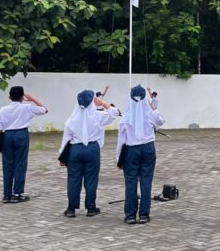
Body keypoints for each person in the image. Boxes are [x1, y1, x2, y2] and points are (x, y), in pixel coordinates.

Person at [59, 90, 120, 217]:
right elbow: (115, 112)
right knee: (91, 179)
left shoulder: (71, 119)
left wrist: (61, 156)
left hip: (75, 150)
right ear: (92, 101)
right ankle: (91, 207)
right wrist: (102, 103)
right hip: (92, 149)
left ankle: (71, 209)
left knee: (73, 179)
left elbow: (65, 139)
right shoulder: (98, 116)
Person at [116, 85, 165, 224]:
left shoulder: (125, 117)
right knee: (146, 181)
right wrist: (152, 105)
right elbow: (161, 121)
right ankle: (144, 214)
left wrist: (118, 159)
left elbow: (121, 141)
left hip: (131, 150)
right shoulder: (150, 114)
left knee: (130, 182)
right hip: (148, 148)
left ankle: (130, 215)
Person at [0, 86, 48, 203]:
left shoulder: (3, 109)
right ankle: (17, 193)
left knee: (7, 164)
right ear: (23, 97)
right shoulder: (27, 108)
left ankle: (6, 194)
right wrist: (32, 98)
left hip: (7, 135)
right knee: (20, 163)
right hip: (21, 134)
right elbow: (44, 110)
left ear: (9, 97)